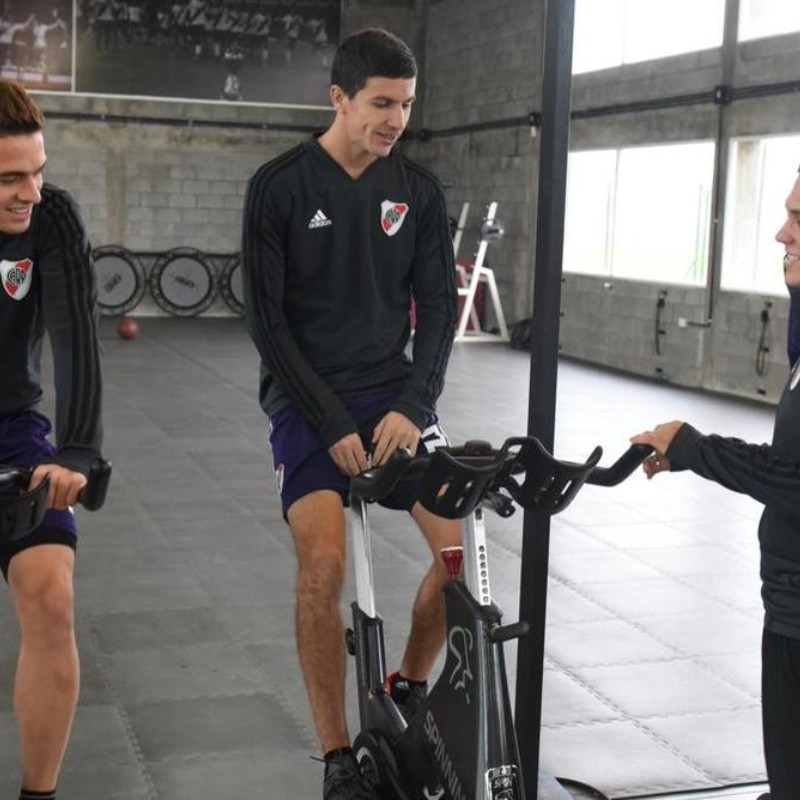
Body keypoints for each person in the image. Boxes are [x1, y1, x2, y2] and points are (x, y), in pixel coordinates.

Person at [241, 28, 458, 800]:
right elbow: (267, 324)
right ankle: (337, 757)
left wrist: (413, 404)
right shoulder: (280, 187)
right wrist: (330, 422)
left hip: (392, 399)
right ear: (338, 98)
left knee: (461, 560)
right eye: (380, 103)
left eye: (405, 103)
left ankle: (404, 689)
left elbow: (438, 311)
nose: (395, 118)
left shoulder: (420, 192)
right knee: (322, 567)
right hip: (306, 401)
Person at [631, 164, 800, 800]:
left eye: (799, 219)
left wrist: (698, 448)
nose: (782, 233)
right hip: (787, 600)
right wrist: (688, 454)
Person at [0, 79, 103, 800]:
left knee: (50, 597)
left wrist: (76, 450)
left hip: (17, 428)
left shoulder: (52, 220)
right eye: (10, 178)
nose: (30, 191)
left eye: (37, 171)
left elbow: (75, 338)